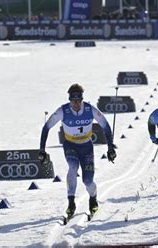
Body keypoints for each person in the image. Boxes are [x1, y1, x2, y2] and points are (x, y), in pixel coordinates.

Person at [38, 83, 116, 219]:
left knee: (87, 181)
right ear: (69, 100)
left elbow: (106, 125)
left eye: (78, 101)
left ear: (82, 99)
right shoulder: (63, 111)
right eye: (73, 101)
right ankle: (71, 203)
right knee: (72, 167)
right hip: (70, 145)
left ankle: (93, 199)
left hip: (86, 147)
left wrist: (110, 148)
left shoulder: (90, 109)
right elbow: (46, 127)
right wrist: (42, 150)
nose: (76, 104)